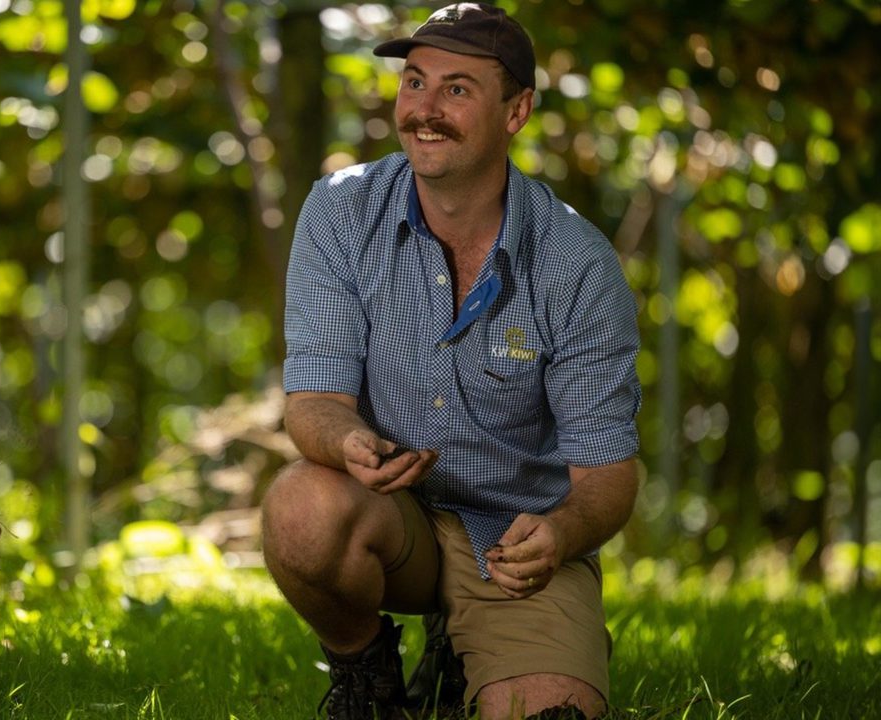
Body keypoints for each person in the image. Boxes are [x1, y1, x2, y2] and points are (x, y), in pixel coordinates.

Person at [262, 4, 642, 719]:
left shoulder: (579, 265)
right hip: (388, 515)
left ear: (517, 110)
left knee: (547, 714)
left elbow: (608, 475)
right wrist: (346, 442)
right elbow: (313, 404)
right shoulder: (339, 212)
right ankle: (365, 677)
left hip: (517, 539)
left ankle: (471, 655)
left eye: (457, 89)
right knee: (300, 508)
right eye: (413, 83)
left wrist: (561, 533)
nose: (424, 111)